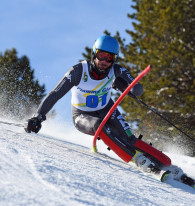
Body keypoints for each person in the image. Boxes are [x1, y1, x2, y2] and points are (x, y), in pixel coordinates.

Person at [24, 35, 164, 174]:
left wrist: (126, 87)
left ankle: (162, 162)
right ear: (94, 53)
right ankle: (137, 159)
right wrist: (38, 117)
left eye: (109, 58)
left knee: (128, 137)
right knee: (100, 126)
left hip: (107, 109)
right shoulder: (78, 71)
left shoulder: (116, 70)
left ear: (114, 58)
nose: (104, 61)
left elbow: (138, 89)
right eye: (101, 55)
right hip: (82, 115)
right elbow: (55, 94)